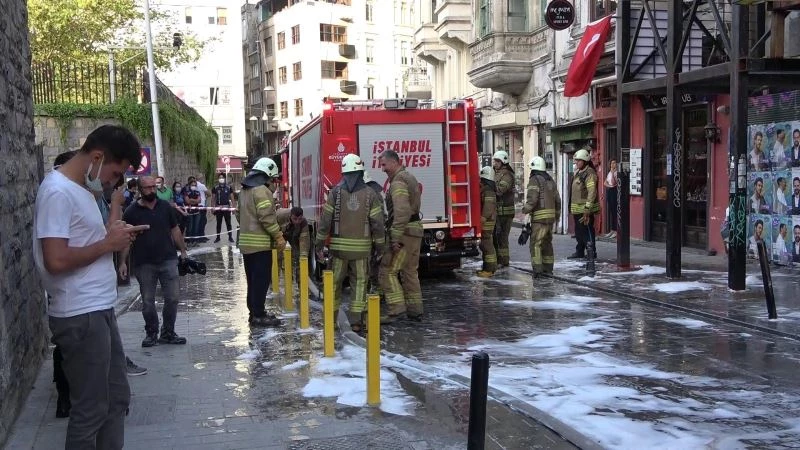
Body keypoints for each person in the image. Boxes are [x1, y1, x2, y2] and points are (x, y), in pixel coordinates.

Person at [34, 125, 143, 448]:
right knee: (91, 409)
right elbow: (55, 260)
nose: (112, 181)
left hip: (97, 308)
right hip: (79, 313)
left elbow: (88, 241)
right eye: (114, 172)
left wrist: (114, 232)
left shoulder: (81, 190)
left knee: (116, 399)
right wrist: (108, 244)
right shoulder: (57, 192)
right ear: (97, 157)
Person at [315, 154, 385, 332]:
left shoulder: (335, 193)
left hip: (338, 251)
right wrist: (380, 247)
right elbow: (377, 224)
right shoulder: (371, 194)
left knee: (334, 284)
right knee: (360, 284)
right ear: (361, 172)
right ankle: (356, 322)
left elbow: (325, 221)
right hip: (362, 251)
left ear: (343, 172)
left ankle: (330, 321)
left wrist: (319, 244)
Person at [120, 176, 189, 347]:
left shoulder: (165, 207)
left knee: (172, 298)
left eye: (154, 187)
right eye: (147, 188)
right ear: (139, 189)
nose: (152, 190)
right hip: (144, 263)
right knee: (148, 301)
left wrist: (183, 251)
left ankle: (168, 332)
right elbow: (126, 239)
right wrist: (123, 262)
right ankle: (151, 332)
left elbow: (175, 230)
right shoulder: (131, 212)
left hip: (168, 259)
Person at [237, 157, 285, 327]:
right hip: (260, 246)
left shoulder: (244, 191)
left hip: (246, 245)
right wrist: (278, 236)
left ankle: (254, 312)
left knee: (252, 281)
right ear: (267, 176)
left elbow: (238, 214)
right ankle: (258, 315)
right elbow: (267, 218)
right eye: (272, 179)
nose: (273, 183)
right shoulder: (261, 191)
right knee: (261, 281)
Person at [378, 150, 424, 323]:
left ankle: (396, 311)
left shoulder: (398, 182)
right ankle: (415, 311)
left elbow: (402, 211)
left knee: (387, 271)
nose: (383, 169)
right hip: (414, 231)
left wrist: (395, 237)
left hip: (404, 234)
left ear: (394, 162)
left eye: (384, 165)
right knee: (410, 272)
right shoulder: (408, 177)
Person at [522, 156, 561, 278]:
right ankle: (548, 269)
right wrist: (557, 216)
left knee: (536, 244)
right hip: (550, 219)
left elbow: (532, 199)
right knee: (547, 244)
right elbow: (558, 200)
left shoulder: (535, 180)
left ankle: (538, 271)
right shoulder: (550, 180)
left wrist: (525, 210)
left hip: (539, 219)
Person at [568, 149, 600, 259]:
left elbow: (592, 191)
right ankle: (580, 251)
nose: (576, 163)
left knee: (587, 231)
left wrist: (587, 208)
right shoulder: (578, 172)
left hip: (585, 210)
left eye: (578, 161)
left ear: (585, 161)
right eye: (575, 161)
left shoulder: (589, 173)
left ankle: (591, 252)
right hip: (577, 209)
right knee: (579, 232)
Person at [492, 150, 516, 267]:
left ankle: (504, 261)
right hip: (498, 212)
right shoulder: (496, 173)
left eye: (497, 161)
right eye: (494, 161)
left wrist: (488, 185)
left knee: (502, 237)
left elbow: (500, 190)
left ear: (503, 162)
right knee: (497, 237)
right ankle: (499, 259)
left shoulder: (507, 175)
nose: (495, 163)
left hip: (505, 212)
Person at [363, 171, 385, 292]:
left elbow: (377, 218)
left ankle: (374, 291)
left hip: (370, 235)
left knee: (371, 265)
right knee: (375, 264)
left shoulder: (370, 195)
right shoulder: (376, 193)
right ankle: (376, 290)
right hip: (374, 234)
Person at [277, 206, 311, 282]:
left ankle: (301, 284)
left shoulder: (303, 223)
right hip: (279, 234)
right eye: (295, 219)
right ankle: (273, 281)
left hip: (293, 236)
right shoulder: (280, 215)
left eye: (299, 219)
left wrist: (303, 257)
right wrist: (278, 239)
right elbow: (270, 227)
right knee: (276, 256)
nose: (297, 222)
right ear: (290, 216)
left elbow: (304, 241)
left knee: (300, 256)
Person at [476, 166, 497, 278]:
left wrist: (483, 218)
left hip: (487, 221)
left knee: (486, 244)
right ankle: (487, 268)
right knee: (485, 244)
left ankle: (489, 269)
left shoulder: (488, 190)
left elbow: (488, 206)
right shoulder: (487, 188)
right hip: (488, 219)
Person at [212, 174, 236, 243]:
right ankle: (218, 237)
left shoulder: (229, 187)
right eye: (220, 177)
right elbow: (213, 198)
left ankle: (230, 237)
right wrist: (212, 208)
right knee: (218, 223)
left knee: (228, 223)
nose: (221, 179)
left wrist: (233, 208)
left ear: (225, 179)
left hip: (227, 208)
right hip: (218, 209)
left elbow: (232, 198)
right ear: (218, 179)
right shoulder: (215, 187)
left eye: (222, 177)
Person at [603, 159, 618, 238]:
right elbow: (605, 182)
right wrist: (609, 186)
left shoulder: (616, 173)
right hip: (610, 191)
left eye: (614, 163)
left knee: (615, 211)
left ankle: (616, 231)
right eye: (612, 163)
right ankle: (612, 230)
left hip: (614, 192)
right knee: (611, 211)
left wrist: (612, 173)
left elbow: (614, 182)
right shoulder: (609, 172)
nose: (613, 165)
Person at [183, 178, 202, 243]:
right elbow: (187, 201)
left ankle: (195, 241)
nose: (194, 186)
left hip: (197, 212)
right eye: (192, 185)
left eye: (195, 185)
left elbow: (199, 200)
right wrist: (194, 201)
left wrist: (192, 200)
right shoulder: (186, 192)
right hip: (189, 212)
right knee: (189, 228)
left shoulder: (197, 192)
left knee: (196, 227)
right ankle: (188, 241)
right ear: (189, 185)